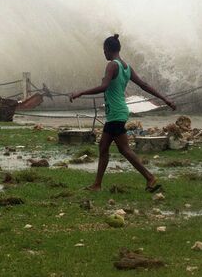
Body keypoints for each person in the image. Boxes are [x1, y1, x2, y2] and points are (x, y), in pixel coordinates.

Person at [70, 34, 176, 192]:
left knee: (122, 149)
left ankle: (149, 177)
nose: (103, 54)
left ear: (108, 50)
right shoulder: (126, 67)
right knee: (105, 147)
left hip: (115, 113)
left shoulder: (112, 65)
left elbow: (104, 86)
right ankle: (98, 184)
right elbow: (144, 85)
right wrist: (165, 99)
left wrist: (80, 93)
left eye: (104, 51)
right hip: (119, 112)